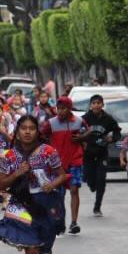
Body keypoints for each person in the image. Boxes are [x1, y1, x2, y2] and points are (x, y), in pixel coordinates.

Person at [0, 115, 70, 254]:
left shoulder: (48, 152)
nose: (27, 132)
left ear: (37, 132)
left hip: (46, 205)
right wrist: (17, 173)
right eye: (23, 128)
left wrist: (51, 184)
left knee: (44, 246)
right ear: (17, 133)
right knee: (31, 248)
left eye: (31, 128)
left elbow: (62, 175)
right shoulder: (9, 156)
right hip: (22, 204)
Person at [40, 96, 86, 235]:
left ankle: (74, 222)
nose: (60, 111)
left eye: (64, 108)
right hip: (57, 164)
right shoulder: (51, 123)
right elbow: (41, 135)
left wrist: (82, 138)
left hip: (75, 161)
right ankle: (61, 222)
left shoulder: (79, 121)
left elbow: (88, 132)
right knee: (59, 195)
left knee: (74, 190)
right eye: (58, 108)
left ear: (70, 108)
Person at [79, 95, 120, 216]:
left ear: (102, 104)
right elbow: (76, 132)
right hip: (88, 154)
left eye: (98, 103)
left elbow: (117, 132)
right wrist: (82, 142)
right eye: (94, 103)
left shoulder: (108, 119)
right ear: (90, 105)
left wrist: (112, 138)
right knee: (89, 179)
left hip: (102, 153)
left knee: (101, 180)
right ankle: (92, 184)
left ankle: (97, 207)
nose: (96, 105)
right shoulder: (85, 119)